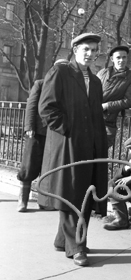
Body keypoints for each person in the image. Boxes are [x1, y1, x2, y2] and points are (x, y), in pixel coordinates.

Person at [38, 33, 108, 267]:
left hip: (91, 146)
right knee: (72, 193)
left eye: (94, 50)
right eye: (86, 49)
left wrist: (100, 140)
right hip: (68, 145)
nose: (90, 54)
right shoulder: (61, 72)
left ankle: (63, 240)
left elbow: (95, 113)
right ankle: (77, 246)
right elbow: (47, 108)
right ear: (75, 49)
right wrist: (69, 130)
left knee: (85, 192)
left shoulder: (96, 81)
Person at [96, 46, 131, 148]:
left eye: (124, 57)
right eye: (118, 57)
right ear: (112, 59)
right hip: (91, 119)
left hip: (108, 123)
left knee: (100, 154)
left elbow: (128, 101)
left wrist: (107, 105)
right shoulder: (102, 72)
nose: (121, 60)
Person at [16, 79, 47, 212]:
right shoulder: (40, 84)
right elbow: (31, 105)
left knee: (48, 169)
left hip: (56, 134)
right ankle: (23, 200)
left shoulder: (66, 86)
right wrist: (29, 126)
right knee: (29, 165)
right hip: (36, 132)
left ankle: (44, 201)